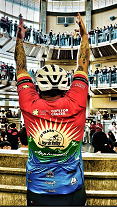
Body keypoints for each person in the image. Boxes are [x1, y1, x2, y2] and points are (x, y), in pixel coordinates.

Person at [15, 13, 89, 206]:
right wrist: (84, 36)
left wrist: (19, 39)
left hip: (37, 189)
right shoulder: (77, 101)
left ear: (37, 87)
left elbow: (20, 67)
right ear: (66, 87)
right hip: (72, 189)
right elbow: (83, 64)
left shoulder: (29, 103)